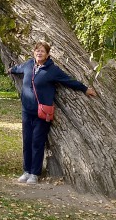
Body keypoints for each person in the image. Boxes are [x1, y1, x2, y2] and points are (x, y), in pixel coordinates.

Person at [8, 41, 97, 185]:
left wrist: (85, 89)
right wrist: (11, 69)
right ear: (34, 52)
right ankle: (26, 171)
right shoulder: (28, 64)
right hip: (27, 111)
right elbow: (18, 68)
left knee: (37, 142)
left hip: (42, 113)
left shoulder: (52, 70)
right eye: (37, 50)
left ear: (48, 54)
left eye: (42, 51)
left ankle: (34, 174)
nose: (39, 53)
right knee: (27, 141)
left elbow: (69, 81)